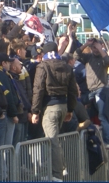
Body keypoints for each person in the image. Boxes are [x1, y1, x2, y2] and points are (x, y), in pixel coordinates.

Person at [31, 41, 78, 181]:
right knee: (55, 140)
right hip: (63, 106)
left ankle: (57, 175)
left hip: (50, 107)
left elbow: (38, 89)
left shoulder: (43, 66)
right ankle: (59, 169)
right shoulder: (66, 66)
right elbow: (73, 91)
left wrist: (35, 110)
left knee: (51, 141)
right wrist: (70, 109)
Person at [75, 38, 109, 150]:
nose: (94, 49)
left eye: (96, 47)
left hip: (101, 90)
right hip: (91, 91)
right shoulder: (88, 57)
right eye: (93, 47)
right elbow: (76, 55)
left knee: (104, 116)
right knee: (108, 117)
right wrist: (86, 44)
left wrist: (101, 49)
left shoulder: (103, 58)